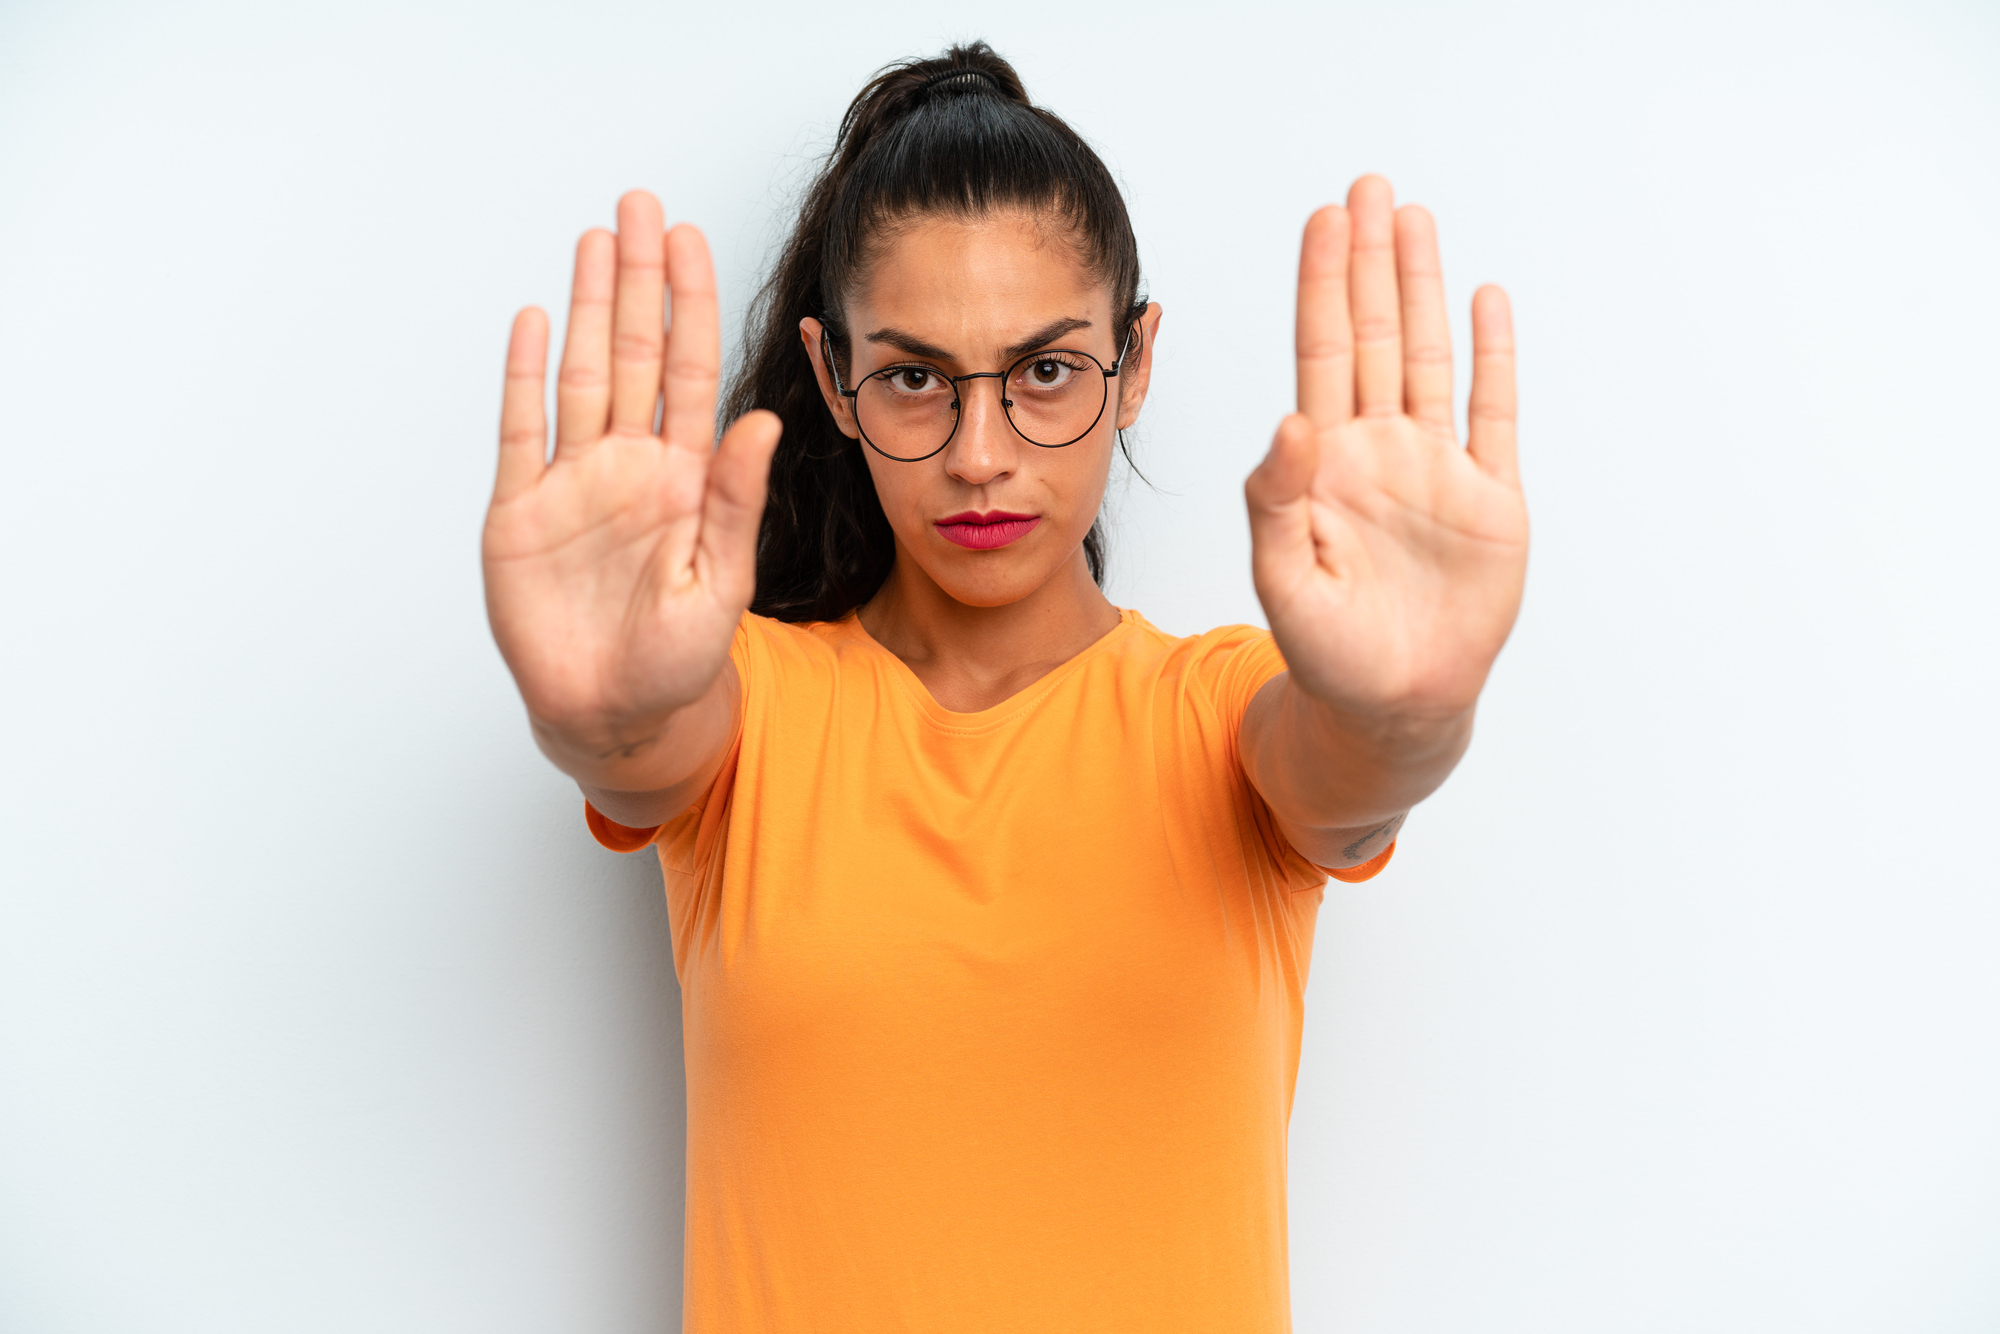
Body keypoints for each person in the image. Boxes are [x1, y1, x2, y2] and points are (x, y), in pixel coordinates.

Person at [482, 41, 1526, 1334]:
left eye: (1045, 370)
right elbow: (647, 743)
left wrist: (1403, 710)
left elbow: (1346, 775)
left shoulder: (1219, 713)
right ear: (832, 377)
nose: (980, 456)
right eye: (916, 377)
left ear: (1133, 363)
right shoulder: (745, 701)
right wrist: (603, 712)